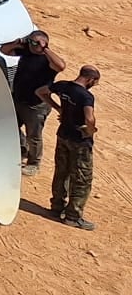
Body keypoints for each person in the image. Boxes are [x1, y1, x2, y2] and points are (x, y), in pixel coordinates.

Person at [1, 29, 66, 176]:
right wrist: (16, 43)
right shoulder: (26, 52)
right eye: (30, 41)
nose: (31, 45)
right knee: (10, 126)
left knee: (34, 136)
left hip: (35, 105)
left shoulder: (48, 60)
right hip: (18, 98)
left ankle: (33, 163)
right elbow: (3, 50)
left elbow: (61, 66)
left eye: (35, 43)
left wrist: (45, 49)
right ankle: (22, 148)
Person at [47, 65, 102, 231]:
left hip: (63, 134)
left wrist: (59, 109)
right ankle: (73, 216)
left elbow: (41, 92)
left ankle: (56, 207)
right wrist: (90, 130)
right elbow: (89, 118)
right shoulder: (86, 96)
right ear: (90, 79)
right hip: (79, 141)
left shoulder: (63, 86)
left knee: (61, 172)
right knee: (81, 178)